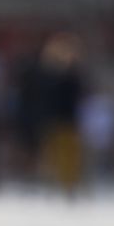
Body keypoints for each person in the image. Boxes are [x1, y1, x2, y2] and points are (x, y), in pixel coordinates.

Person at [36, 32, 87, 199]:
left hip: (69, 119)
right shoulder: (50, 74)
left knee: (69, 156)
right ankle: (52, 185)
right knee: (52, 155)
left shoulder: (73, 75)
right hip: (53, 118)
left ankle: (69, 186)